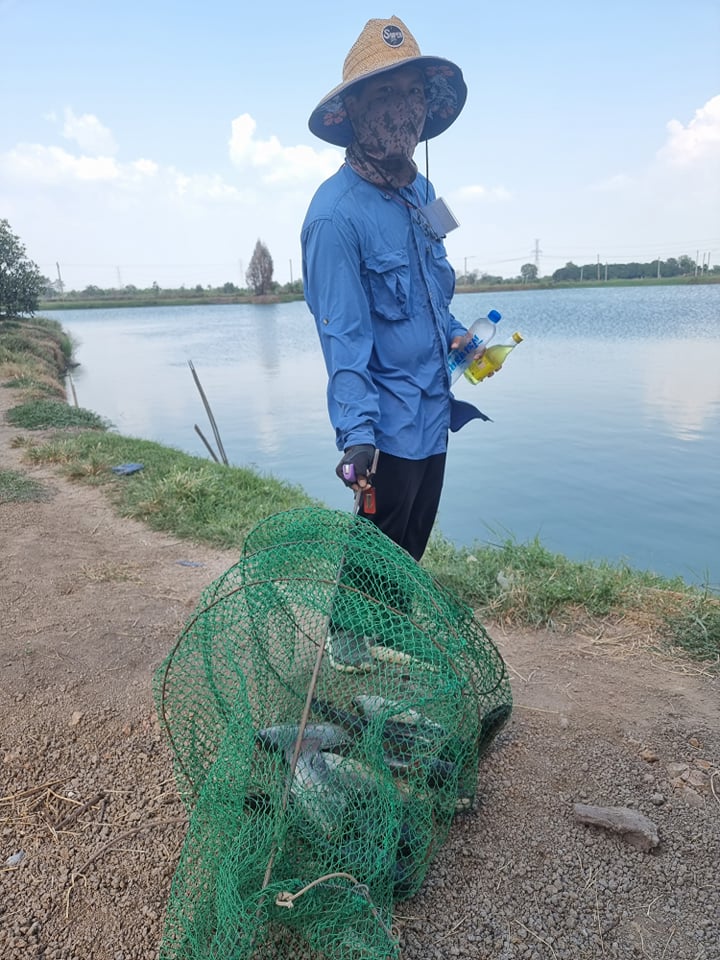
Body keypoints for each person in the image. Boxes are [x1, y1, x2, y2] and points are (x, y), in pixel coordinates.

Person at [301, 16, 488, 565]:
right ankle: (351, 646)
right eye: (384, 92)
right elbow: (343, 340)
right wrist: (356, 437)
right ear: (353, 110)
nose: (401, 107)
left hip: (433, 415)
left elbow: (436, 294)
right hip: (385, 432)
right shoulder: (334, 218)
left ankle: (389, 645)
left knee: (409, 557)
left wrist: (460, 341)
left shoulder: (424, 192)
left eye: (412, 93)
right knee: (372, 566)